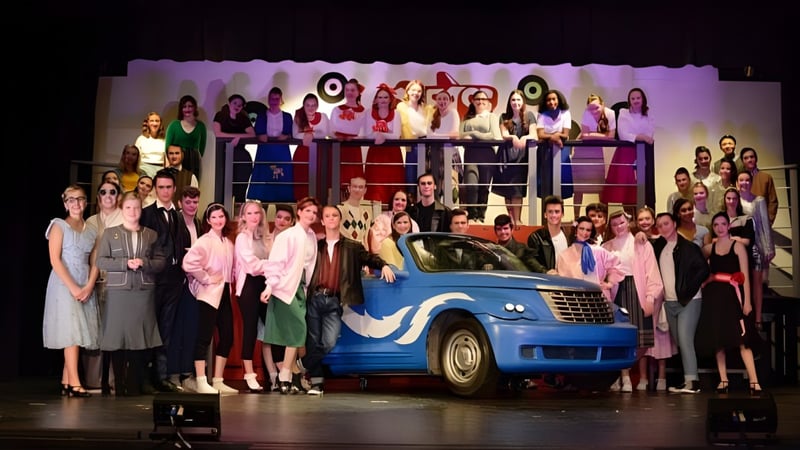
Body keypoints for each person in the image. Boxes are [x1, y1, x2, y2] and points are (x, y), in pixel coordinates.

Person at [302, 204, 396, 395]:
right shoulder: (315, 245)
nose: (331, 219)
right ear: (322, 220)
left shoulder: (352, 247)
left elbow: (370, 258)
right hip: (314, 298)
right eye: (327, 216)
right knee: (312, 341)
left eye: (334, 215)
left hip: (335, 300)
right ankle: (317, 383)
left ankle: (302, 365)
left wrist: (384, 265)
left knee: (328, 342)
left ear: (340, 219)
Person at [95, 192, 165, 396]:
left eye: (136, 208)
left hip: (143, 293)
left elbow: (161, 262)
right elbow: (101, 261)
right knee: (117, 340)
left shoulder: (151, 234)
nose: (132, 212)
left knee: (138, 340)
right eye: (128, 207)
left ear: (141, 209)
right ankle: (119, 384)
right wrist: (124, 263)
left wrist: (146, 263)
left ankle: (134, 385)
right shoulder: (110, 233)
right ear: (122, 209)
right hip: (118, 293)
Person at [260, 197, 321, 394]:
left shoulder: (311, 235)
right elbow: (275, 263)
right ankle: (286, 373)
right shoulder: (287, 235)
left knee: (295, 334)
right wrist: (270, 286)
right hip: (285, 287)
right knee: (298, 328)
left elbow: (309, 265)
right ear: (299, 212)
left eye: (314, 212)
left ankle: (289, 374)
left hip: (302, 288)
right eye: (308, 211)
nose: (311, 215)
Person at [696, 212, 762, 395]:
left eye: (723, 223)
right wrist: (707, 279)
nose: (719, 227)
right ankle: (723, 379)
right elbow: (697, 261)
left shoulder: (738, 246)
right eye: (716, 224)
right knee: (719, 340)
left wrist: (747, 301)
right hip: (715, 297)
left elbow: (746, 275)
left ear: (728, 225)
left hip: (734, 296)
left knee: (743, 340)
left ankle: (754, 380)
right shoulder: (710, 248)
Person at [44, 185, 100, 398]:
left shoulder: (92, 230)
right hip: (64, 284)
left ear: (86, 202)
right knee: (72, 332)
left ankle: (67, 380)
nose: (76, 203)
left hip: (84, 283)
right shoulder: (59, 226)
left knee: (79, 330)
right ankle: (75, 383)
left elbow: (95, 261)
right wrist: (74, 287)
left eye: (80, 199)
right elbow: (55, 260)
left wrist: (88, 285)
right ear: (65, 203)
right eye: (72, 199)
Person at [140, 169, 192, 393]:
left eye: (168, 187)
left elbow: (184, 245)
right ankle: (144, 378)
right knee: (148, 328)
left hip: (173, 281)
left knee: (166, 330)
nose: (165, 191)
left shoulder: (179, 216)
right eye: (160, 187)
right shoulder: (147, 213)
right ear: (154, 188)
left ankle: (161, 377)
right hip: (152, 279)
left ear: (174, 189)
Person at [602, 210, 665, 392]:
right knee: (620, 337)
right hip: (617, 291)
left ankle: (625, 371)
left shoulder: (641, 243)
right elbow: (603, 271)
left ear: (628, 222)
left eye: (621, 223)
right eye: (614, 225)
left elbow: (651, 271)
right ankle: (624, 375)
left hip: (638, 290)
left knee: (640, 340)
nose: (618, 227)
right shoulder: (607, 247)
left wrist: (650, 296)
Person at [182, 203, 238, 394]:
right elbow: (188, 263)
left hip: (225, 294)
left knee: (228, 336)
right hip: (208, 295)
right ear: (208, 220)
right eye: (213, 217)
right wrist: (206, 278)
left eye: (221, 216)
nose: (218, 220)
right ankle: (200, 380)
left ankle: (218, 379)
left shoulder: (228, 243)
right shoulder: (205, 240)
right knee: (204, 337)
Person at [652, 211, 709, 394]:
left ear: (674, 224)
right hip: (670, 302)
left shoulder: (688, 247)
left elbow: (703, 270)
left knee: (685, 339)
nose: (662, 227)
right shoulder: (659, 246)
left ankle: (693, 381)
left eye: (666, 223)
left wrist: (688, 291)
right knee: (679, 341)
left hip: (689, 301)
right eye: (659, 225)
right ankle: (687, 380)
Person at [85, 180, 123, 393]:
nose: (108, 196)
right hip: (92, 282)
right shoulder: (90, 221)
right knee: (94, 332)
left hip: (117, 282)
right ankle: (93, 380)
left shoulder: (125, 218)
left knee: (116, 333)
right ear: (98, 197)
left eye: (112, 192)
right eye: (103, 192)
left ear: (118, 196)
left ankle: (114, 380)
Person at [233, 200, 272, 393]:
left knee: (271, 328)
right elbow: (251, 266)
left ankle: (274, 373)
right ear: (243, 216)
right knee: (250, 329)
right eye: (250, 213)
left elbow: (276, 261)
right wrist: (268, 265)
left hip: (265, 286)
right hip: (248, 285)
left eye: (257, 213)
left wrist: (267, 265)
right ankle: (248, 374)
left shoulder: (266, 237)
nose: (254, 217)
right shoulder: (242, 237)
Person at [171, 185, 203, 392]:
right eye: (188, 202)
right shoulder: (176, 221)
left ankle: (185, 373)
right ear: (181, 203)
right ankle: (173, 374)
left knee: (191, 328)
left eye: (195, 202)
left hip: (194, 284)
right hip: (176, 282)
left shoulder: (199, 224)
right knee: (175, 330)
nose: (192, 206)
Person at [258, 203, 294, 391]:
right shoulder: (266, 238)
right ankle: (272, 375)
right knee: (266, 333)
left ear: (291, 222)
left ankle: (283, 373)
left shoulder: (293, 240)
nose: (281, 221)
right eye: (279, 217)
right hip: (265, 288)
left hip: (285, 290)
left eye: (286, 219)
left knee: (284, 334)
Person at [603, 87, 655, 212]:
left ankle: (640, 217)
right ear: (629, 100)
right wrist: (640, 136)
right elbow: (623, 134)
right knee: (625, 188)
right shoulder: (623, 112)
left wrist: (640, 137)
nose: (636, 100)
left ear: (643, 99)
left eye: (638, 98)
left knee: (641, 186)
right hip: (625, 153)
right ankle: (628, 217)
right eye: (633, 98)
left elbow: (650, 134)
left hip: (643, 153)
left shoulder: (648, 113)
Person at [492, 89, 537, 227]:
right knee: (507, 189)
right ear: (509, 102)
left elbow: (534, 135)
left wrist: (523, 137)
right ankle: (511, 217)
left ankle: (518, 219)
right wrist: (513, 137)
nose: (515, 102)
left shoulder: (529, 116)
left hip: (521, 157)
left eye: (518, 99)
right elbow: (504, 134)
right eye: (513, 100)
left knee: (517, 189)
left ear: (523, 101)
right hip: (505, 155)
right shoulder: (504, 116)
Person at [736, 171, 775, 328]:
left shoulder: (759, 200)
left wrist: (768, 248)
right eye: (741, 180)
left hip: (756, 245)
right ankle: (742, 318)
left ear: (751, 182)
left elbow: (765, 225)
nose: (744, 182)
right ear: (737, 182)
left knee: (757, 283)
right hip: (739, 245)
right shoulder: (734, 199)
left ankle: (757, 318)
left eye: (747, 180)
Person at [556, 216, 623, 302]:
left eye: (588, 230)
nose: (585, 232)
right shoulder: (564, 255)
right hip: (574, 299)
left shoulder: (599, 251)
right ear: (576, 230)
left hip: (599, 298)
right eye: (581, 228)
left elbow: (616, 265)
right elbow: (562, 282)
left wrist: (609, 283)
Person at [460, 90, 501, 223]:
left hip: (487, 155)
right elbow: (460, 136)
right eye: (477, 99)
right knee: (471, 185)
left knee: (484, 187)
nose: (480, 101)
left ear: (488, 101)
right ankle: (472, 215)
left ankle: (481, 216)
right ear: (473, 101)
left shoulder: (491, 117)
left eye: (483, 99)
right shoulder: (467, 118)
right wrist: (478, 135)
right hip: (471, 154)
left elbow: (494, 136)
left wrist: (474, 134)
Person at [249, 87, 294, 202]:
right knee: (265, 183)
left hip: (282, 152)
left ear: (281, 100)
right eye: (272, 99)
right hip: (265, 151)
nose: (274, 102)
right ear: (268, 100)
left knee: (282, 181)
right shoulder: (262, 115)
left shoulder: (287, 116)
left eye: (276, 99)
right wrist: (261, 136)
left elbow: (291, 133)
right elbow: (259, 133)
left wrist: (287, 136)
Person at [574, 93, 616, 218]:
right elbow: (584, 136)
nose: (594, 111)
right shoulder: (587, 113)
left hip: (597, 151)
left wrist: (592, 135)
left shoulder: (610, 113)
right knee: (578, 188)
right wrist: (602, 136)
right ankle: (576, 217)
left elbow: (611, 137)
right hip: (582, 151)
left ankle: (603, 217)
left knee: (600, 186)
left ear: (603, 105)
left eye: (597, 107)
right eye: (591, 108)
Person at [364, 83, 404, 206]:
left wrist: (382, 135)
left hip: (392, 154)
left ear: (390, 99)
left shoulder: (396, 113)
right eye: (380, 97)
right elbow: (367, 134)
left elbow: (396, 135)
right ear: (376, 99)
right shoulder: (369, 112)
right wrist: (382, 134)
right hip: (376, 153)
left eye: (385, 97)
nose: (383, 100)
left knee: (392, 182)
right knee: (375, 184)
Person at [212, 93, 256, 202]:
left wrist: (238, 138)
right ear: (229, 103)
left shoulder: (243, 118)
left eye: (240, 105)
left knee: (240, 190)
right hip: (224, 155)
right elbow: (218, 133)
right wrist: (234, 138)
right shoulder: (220, 115)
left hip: (241, 156)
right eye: (235, 103)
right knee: (223, 190)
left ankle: (239, 215)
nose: (237, 106)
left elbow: (252, 135)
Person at [330, 78, 368, 196]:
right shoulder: (337, 110)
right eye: (347, 90)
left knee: (354, 179)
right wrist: (337, 137)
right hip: (338, 148)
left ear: (358, 93)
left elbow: (365, 131)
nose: (350, 92)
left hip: (353, 148)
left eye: (352, 90)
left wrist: (354, 139)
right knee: (337, 179)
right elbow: (331, 129)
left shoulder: (364, 111)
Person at [536, 89, 573, 200]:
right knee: (546, 184)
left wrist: (554, 135)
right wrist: (555, 137)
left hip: (561, 151)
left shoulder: (565, 113)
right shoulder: (542, 114)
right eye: (548, 100)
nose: (551, 102)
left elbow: (565, 134)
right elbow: (540, 134)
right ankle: (545, 215)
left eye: (554, 99)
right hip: (545, 151)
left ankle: (560, 214)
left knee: (561, 183)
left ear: (559, 100)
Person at [427, 89, 462, 203]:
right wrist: (442, 136)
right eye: (439, 99)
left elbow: (455, 134)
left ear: (450, 101)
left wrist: (437, 136)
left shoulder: (453, 113)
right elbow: (428, 134)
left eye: (445, 99)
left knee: (450, 184)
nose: (442, 101)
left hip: (449, 152)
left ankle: (449, 211)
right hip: (434, 152)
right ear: (436, 101)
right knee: (435, 183)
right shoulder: (433, 114)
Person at [292, 93, 330, 201]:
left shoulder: (323, 116)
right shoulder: (299, 117)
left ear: (317, 106)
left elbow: (325, 133)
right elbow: (295, 135)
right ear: (303, 105)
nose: (310, 108)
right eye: (308, 105)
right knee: (302, 179)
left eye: (313, 105)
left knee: (318, 180)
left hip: (319, 153)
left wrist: (310, 134)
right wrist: (310, 134)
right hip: (303, 152)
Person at [396, 80, 430, 192]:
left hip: (426, 144)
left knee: (424, 177)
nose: (416, 93)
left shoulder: (425, 107)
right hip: (411, 145)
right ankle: (411, 203)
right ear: (408, 91)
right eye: (413, 90)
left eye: (419, 91)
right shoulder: (401, 106)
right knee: (411, 177)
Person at [165, 94, 206, 180]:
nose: (187, 109)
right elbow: (167, 147)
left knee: (192, 184)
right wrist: (168, 161)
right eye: (184, 106)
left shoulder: (201, 126)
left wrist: (197, 158)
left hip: (193, 160)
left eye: (190, 106)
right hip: (176, 158)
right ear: (181, 109)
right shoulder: (173, 125)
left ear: (194, 108)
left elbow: (202, 147)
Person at [526, 195, 570, 274]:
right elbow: (531, 260)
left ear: (562, 214)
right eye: (550, 212)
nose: (553, 215)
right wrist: (545, 272)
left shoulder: (569, 236)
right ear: (545, 215)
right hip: (548, 282)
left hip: (568, 280)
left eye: (557, 212)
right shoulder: (536, 237)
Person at [369, 189, 420, 254]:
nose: (400, 202)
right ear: (392, 201)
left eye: (403, 200)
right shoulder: (381, 219)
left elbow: (417, 245)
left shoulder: (413, 223)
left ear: (407, 203)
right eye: (396, 199)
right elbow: (375, 244)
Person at [741, 147, 778, 226]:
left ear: (756, 159)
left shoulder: (766, 177)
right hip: (744, 223)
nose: (749, 160)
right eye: (746, 158)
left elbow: (773, 201)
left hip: (763, 222)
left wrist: (769, 220)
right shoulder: (739, 178)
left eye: (752, 157)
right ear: (742, 161)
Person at [337, 176, 374, 250]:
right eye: (354, 186)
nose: (357, 190)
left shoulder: (366, 214)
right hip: (344, 252)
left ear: (365, 190)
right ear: (349, 188)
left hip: (361, 254)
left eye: (360, 187)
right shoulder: (340, 209)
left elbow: (365, 239)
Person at [136, 112, 167, 177]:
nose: (154, 123)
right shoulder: (141, 139)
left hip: (160, 170)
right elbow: (136, 158)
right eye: (152, 121)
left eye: (157, 121)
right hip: (144, 169)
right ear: (147, 123)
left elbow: (166, 159)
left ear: (160, 123)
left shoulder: (164, 140)